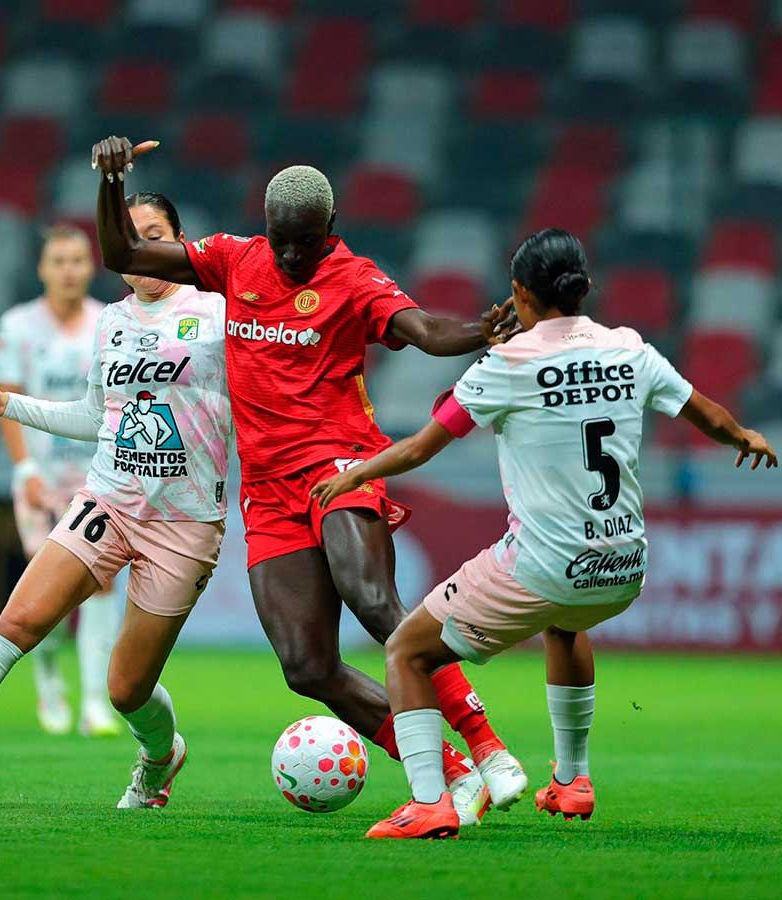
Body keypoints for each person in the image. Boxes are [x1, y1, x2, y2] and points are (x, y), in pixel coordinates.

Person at [91, 136, 527, 823]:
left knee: (372, 600)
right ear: (266, 228)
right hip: (267, 491)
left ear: (330, 228)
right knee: (307, 666)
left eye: (306, 242)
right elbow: (122, 253)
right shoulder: (235, 259)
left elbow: (422, 329)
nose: (292, 255)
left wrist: (480, 332)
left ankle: (488, 746)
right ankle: (451, 771)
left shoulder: (355, 278)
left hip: (340, 464)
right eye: (282, 241)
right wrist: (113, 182)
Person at [309, 228, 780, 840]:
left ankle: (429, 803)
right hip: (622, 567)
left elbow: (423, 446)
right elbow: (706, 414)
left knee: (406, 650)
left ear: (519, 293)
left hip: (543, 566)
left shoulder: (508, 364)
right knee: (566, 623)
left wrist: (355, 473)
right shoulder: (629, 349)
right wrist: (745, 436)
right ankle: (572, 781)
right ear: (584, 287)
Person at [0, 192, 230, 810]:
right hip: (108, 500)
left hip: (184, 522)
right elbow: (94, 416)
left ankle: (162, 757)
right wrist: (7, 405)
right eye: (129, 237)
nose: (141, 249)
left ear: (181, 242)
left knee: (127, 688)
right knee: (17, 622)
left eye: (155, 235)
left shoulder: (218, 313)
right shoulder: (114, 321)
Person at [0, 224, 120, 738]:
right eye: (58, 261)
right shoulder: (18, 326)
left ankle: (95, 703)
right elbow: (7, 403)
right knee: (49, 593)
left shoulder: (108, 322)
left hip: (97, 479)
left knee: (102, 583)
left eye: (77, 260)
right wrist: (24, 469)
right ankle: (48, 680)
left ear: (91, 267)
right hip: (41, 480)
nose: (68, 270)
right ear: (42, 268)